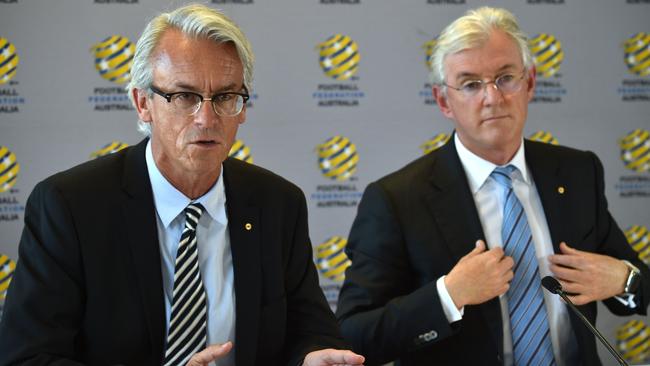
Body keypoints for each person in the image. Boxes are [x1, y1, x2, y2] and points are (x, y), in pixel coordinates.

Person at [0, 4, 365, 366]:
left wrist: (312, 358)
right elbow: (27, 357)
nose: (206, 118)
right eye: (184, 97)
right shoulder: (71, 207)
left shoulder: (277, 203)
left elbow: (310, 331)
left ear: (242, 107)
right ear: (143, 103)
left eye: (225, 97)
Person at [336, 6, 648, 366]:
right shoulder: (397, 199)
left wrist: (624, 279)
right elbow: (354, 333)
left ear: (529, 82)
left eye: (505, 78)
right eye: (470, 84)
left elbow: (640, 286)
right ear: (443, 101)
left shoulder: (577, 173)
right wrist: (448, 296)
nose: (493, 97)